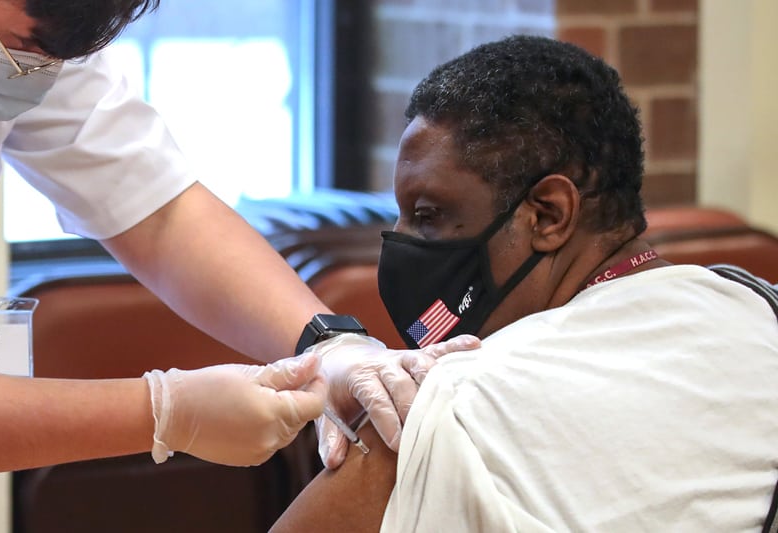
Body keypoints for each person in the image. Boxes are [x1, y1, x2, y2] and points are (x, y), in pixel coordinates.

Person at [270, 35, 778, 532]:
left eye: (429, 215)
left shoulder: (453, 402)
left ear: (548, 215)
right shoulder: (761, 313)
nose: (400, 244)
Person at [0, 0, 479, 473]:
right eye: (18, 45)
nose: (29, 68)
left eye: (50, 57)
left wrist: (332, 347)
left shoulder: (33, 41)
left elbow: (157, 212)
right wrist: (165, 412)